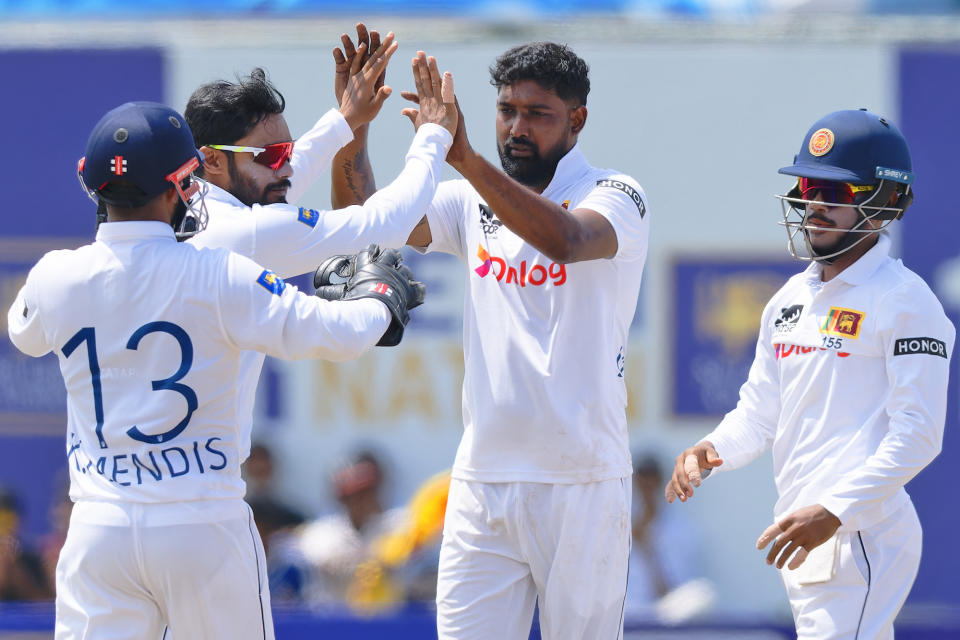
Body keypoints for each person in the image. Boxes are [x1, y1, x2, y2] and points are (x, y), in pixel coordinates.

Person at [6, 100, 435, 639]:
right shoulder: (220, 274)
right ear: (183, 183)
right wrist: (381, 300)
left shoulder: (55, 277)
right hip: (201, 525)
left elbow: (24, 330)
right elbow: (336, 333)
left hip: (99, 528)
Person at [326, 42, 651, 639]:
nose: (517, 127)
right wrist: (353, 129)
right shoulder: (471, 199)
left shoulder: (617, 194)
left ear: (576, 119)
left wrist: (468, 158)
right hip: (483, 481)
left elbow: (567, 242)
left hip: (581, 481)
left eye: (537, 114)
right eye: (507, 110)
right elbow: (364, 223)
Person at [665, 109, 955, 639]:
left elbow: (919, 436)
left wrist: (836, 510)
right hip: (810, 533)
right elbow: (759, 412)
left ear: (883, 203)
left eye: (837, 192)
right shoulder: (790, 299)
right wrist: (713, 450)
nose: (814, 205)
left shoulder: (906, 302)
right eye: (808, 185)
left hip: (861, 534)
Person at [182, 28, 457, 467]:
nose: (286, 165)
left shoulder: (187, 208)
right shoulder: (247, 231)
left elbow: (284, 171)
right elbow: (381, 224)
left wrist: (347, 117)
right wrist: (433, 137)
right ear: (212, 159)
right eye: (269, 155)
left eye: (286, 149)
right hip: (203, 487)